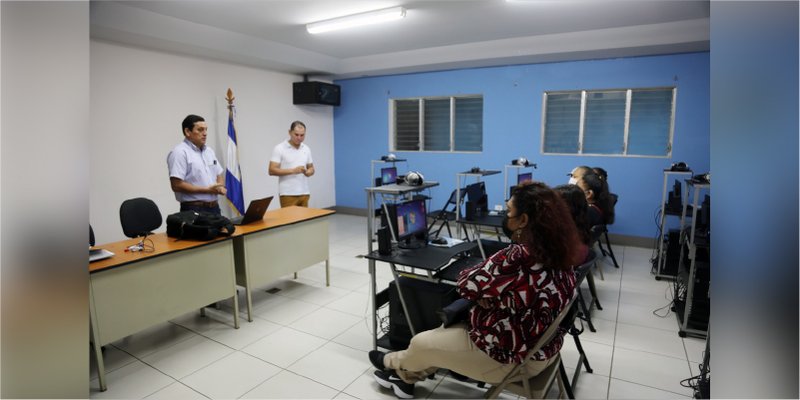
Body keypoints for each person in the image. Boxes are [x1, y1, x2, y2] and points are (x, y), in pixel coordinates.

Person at [367, 182, 582, 399]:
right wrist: (491, 295)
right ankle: (402, 379)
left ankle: (391, 363)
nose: (506, 216)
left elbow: (465, 283)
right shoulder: (561, 254)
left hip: (508, 358)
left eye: (509, 211)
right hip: (540, 350)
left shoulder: (518, 256)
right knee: (439, 336)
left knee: (420, 342)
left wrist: (482, 293)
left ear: (523, 220)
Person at [167, 114, 226, 215]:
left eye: (206, 129)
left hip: (215, 207)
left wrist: (219, 187)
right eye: (200, 130)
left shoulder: (209, 151)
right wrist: (207, 190)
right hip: (194, 209)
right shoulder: (179, 152)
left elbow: (218, 174)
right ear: (187, 132)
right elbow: (176, 185)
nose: (205, 133)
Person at [269, 121, 314, 207]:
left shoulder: (306, 149)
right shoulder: (279, 148)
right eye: (296, 134)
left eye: (302, 135)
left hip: (304, 193)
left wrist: (309, 172)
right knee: (290, 220)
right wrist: (293, 171)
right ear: (290, 132)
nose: (299, 138)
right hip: (287, 194)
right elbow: (271, 170)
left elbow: (311, 168)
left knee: (306, 220)